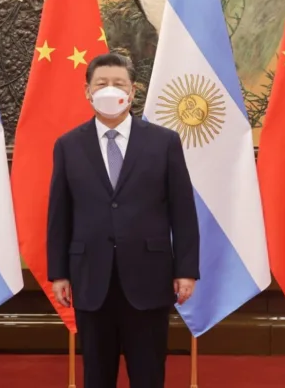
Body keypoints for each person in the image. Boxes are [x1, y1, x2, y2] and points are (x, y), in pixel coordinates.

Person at [47, 53, 200, 388]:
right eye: (101, 83)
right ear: (87, 91)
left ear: (132, 91)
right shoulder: (68, 145)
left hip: (149, 277)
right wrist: (59, 273)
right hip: (91, 278)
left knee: (148, 374)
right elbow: (60, 214)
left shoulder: (164, 142)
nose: (110, 89)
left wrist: (186, 270)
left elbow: (183, 211)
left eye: (119, 83)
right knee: (97, 375)